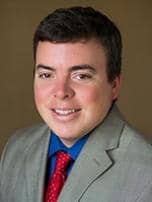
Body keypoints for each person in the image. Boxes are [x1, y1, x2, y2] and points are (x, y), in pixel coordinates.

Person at [0, 6, 152, 202]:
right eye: (46, 74)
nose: (61, 92)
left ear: (114, 85)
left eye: (81, 76)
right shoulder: (16, 148)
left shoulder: (146, 174)